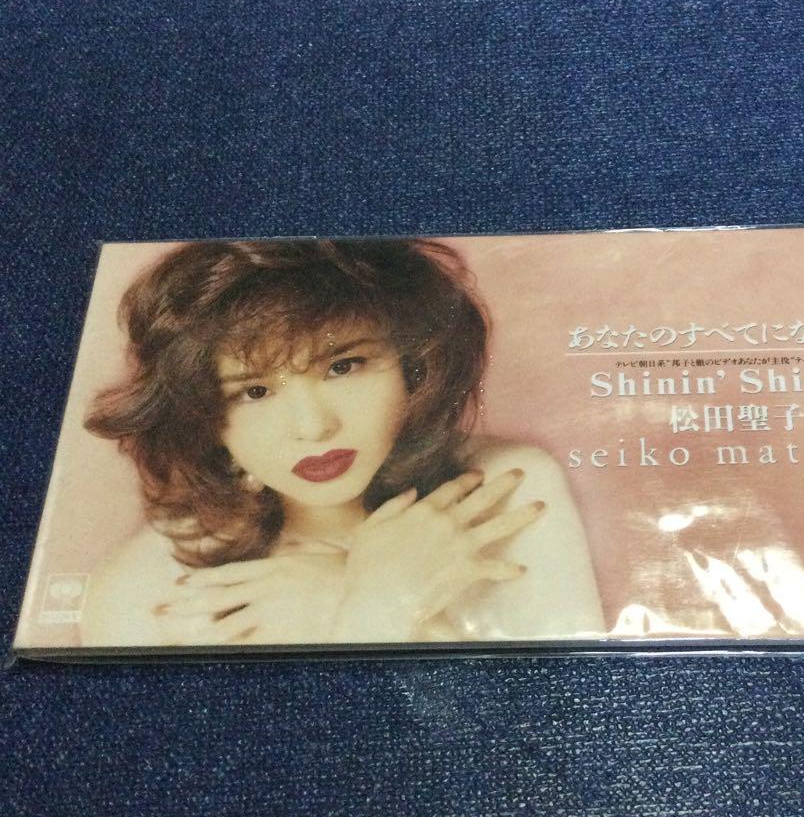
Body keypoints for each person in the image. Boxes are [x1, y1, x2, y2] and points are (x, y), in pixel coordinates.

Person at [79, 239, 604, 647]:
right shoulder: (146, 588)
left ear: (413, 366)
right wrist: (373, 607)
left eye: (343, 366)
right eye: (254, 392)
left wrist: (361, 597)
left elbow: (560, 726)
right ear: (202, 416)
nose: (314, 428)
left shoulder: (507, 490)